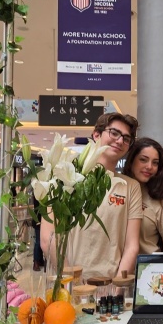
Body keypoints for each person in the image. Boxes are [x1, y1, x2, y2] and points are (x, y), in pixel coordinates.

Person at [41, 112, 142, 280]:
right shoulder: (63, 174)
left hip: (110, 285)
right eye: (114, 133)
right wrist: (69, 281)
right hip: (69, 282)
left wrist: (117, 286)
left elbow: (132, 246)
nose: (120, 141)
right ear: (96, 135)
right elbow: (48, 238)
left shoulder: (130, 186)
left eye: (126, 138)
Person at [123, 137, 163, 253]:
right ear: (131, 161)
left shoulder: (162, 203)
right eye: (143, 160)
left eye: (155, 163)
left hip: (147, 263)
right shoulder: (117, 190)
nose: (149, 167)